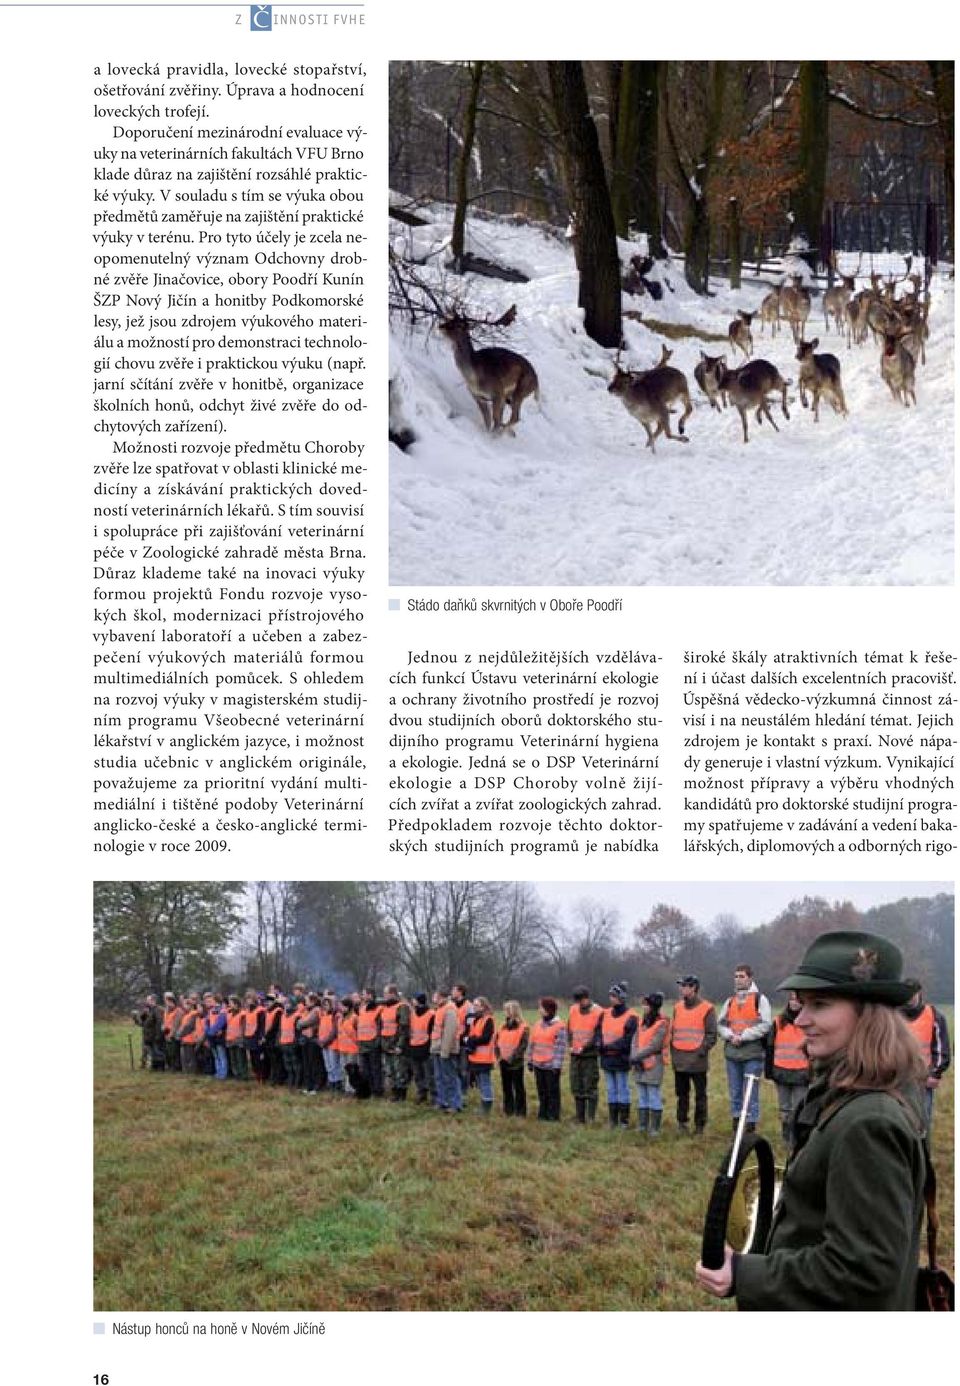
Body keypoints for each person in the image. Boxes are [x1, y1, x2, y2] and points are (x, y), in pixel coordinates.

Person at [696, 930, 927, 1310]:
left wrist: (745, 1273)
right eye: (801, 1004)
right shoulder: (865, 1090)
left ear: (868, 1015)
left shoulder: (869, 1122)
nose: (800, 1019)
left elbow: (863, 1271)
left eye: (819, 1004)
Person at [718, 964, 772, 1131]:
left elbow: (765, 1025)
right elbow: (720, 1024)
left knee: (750, 1091)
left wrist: (744, 1036)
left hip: (752, 1053)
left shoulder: (760, 999)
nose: (738, 979)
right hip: (732, 1054)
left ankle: (750, 1123)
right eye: (736, 976)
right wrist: (729, 1035)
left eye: (742, 976)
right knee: (735, 1090)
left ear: (750, 978)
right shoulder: (730, 1001)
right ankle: (736, 1119)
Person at [900, 979, 951, 1130]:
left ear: (919, 993)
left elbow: (942, 1048)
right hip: (897, 1077)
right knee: (900, 1119)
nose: (909, 998)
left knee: (922, 1121)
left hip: (923, 1079)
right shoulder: (893, 1014)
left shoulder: (934, 1015)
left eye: (912, 994)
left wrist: (935, 1074)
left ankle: (922, 1151)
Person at [669, 975, 717, 1135]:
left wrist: (700, 1052)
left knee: (700, 1095)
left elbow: (712, 1035)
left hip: (697, 1061)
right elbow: (673, 1031)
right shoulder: (677, 1007)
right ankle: (682, 1122)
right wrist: (674, 1053)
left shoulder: (707, 1008)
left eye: (684, 986)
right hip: (680, 1059)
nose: (681, 988)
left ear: (694, 988)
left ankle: (699, 1125)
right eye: (681, 985)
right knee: (681, 1094)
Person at [765, 991, 810, 1144]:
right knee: (784, 1108)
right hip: (781, 1072)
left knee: (799, 1107)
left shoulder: (809, 1022)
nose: (794, 1003)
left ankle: (796, 1137)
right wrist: (769, 1071)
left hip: (802, 1073)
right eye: (791, 1000)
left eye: (797, 1000)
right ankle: (786, 1135)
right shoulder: (778, 1022)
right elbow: (770, 1047)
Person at [631, 991, 669, 1136]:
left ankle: (654, 1129)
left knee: (653, 1094)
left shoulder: (662, 1023)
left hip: (654, 1063)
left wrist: (636, 1057)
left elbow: (654, 1045)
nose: (644, 1007)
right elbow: (635, 1040)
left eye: (646, 1005)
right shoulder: (642, 1021)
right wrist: (634, 1056)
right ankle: (642, 1125)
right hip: (639, 1062)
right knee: (642, 1095)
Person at [600, 982, 637, 1127]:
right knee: (610, 1089)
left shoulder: (631, 1016)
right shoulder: (605, 1013)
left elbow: (628, 1039)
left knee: (622, 1089)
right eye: (610, 995)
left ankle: (624, 1121)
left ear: (622, 997)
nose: (611, 998)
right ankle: (613, 1120)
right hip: (607, 1058)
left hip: (621, 1058)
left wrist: (609, 1046)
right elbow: (598, 1031)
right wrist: (599, 1044)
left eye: (614, 995)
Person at [567, 986, 602, 1123]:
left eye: (580, 1001)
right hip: (575, 1055)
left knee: (590, 1086)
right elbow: (569, 1030)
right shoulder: (573, 1009)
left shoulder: (598, 1012)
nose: (578, 1004)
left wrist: (585, 1047)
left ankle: (591, 1118)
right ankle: (579, 1117)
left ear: (587, 998)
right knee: (576, 1085)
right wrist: (571, 1045)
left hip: (590, 1055)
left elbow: (598, 1035)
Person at [528, 997, 566, 1120]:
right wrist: (530, 1060)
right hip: (538, 1063)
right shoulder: (537, 1024)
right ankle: (542, 1113)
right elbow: (532, 1043)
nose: (539, 1010)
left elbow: (560, 1048)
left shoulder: (559, 1026)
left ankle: (553, 1115)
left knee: (552, 1092)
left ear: (548, 1010)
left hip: (551, 1066)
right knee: (541, 1091)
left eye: (541, 1007)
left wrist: (556, 1066)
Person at [430, 986, 462, 1113]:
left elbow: (449, 1032)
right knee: (439, 1077)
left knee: (450, 1077)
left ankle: (455, 1104)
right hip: (438, 1049)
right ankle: (442, 1101)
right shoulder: (440, 1008)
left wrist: (445, 1051)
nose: (433, 999)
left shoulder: (449, 1010)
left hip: (445, 1051)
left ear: (441, 997)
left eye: (435, 996)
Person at [463, 996, 496, 1113]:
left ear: (483, 1006)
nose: (474, 1007)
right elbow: (472, 1034)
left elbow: (486, 1038)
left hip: (484, 1058)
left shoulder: (488, 1020)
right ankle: (483, 1103)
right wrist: (467, 1039)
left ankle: (487, 1106)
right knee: (480, 1083)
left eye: (477, 1005)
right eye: (474, 1005)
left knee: (485, 1082)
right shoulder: (475, 1019)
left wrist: (471, 1040)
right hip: (475, 1057)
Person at [496, 1000, 529, 1117]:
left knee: (518, 1087)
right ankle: (508, 1110)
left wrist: (512, 1058)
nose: (505, 1012)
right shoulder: (502, 1026)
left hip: (515, 1063)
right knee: (506, 1087)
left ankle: (521, 1111)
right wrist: (499, 1056)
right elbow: (497, 1042)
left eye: (507, 1010)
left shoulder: (523, 1027)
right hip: (503, 1062)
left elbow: (523, 1046)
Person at [380, 983, 411, 1101]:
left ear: (392, 994)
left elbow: (404, 1027)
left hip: (396, 1043)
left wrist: (400, 1044)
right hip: (386, 1043)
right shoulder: (385, 1008)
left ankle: (401, 1094)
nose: (384, 996)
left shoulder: (402, 1007)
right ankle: (394, 1093)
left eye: (386, 993)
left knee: (400, 1070)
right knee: (390, 1071)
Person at [406, 992, 434, 1104]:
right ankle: (421, 1094)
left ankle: (434, 1096)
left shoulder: (431, 1014)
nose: (412, 1001)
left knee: (429, 1074)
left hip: (425, 1047)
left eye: (414, 999)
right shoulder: (412, 1014)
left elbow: (432, 1032)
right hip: (414, 1047)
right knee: (417, 1074)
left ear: (418, 1001)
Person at [357, 988, 384, 1097]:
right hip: (363, 1042)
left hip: (373, 1043)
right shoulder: (362, 1008)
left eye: (364, 994)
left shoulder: (378, 1008)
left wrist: (377, 1041)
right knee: (365, 1070)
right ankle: (369, 1090)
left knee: (375, 1069)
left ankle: (377, 1091)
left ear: (370, 995)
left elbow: (380, 1026)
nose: (362, 996)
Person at [132, 994, 164, 1069]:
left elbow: (159, 1023)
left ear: (153, 1001)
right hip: (147, 1036)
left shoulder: (157, 1010)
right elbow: (142, 1024)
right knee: (150, 1052)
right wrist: (136, 1018)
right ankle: (151, 1066)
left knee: (157, 1053)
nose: (147, 1002)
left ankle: (159, 1068)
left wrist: (158, 1035)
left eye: (148, 1000)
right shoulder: (148, 1011)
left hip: (154, 1035)